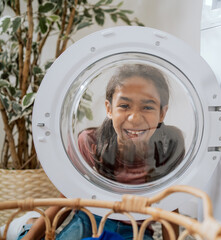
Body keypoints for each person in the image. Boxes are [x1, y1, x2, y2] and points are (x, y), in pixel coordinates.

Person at [17, 64, 185, 240]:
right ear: (109, 109)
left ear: (162, 114)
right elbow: (66, 198)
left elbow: (170, 207)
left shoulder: (169, 147)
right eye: (124, 105)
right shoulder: (90, 143)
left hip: (136, 228)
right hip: (90, 219)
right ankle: (27, 226)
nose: (134, 118)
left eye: (147, 107)